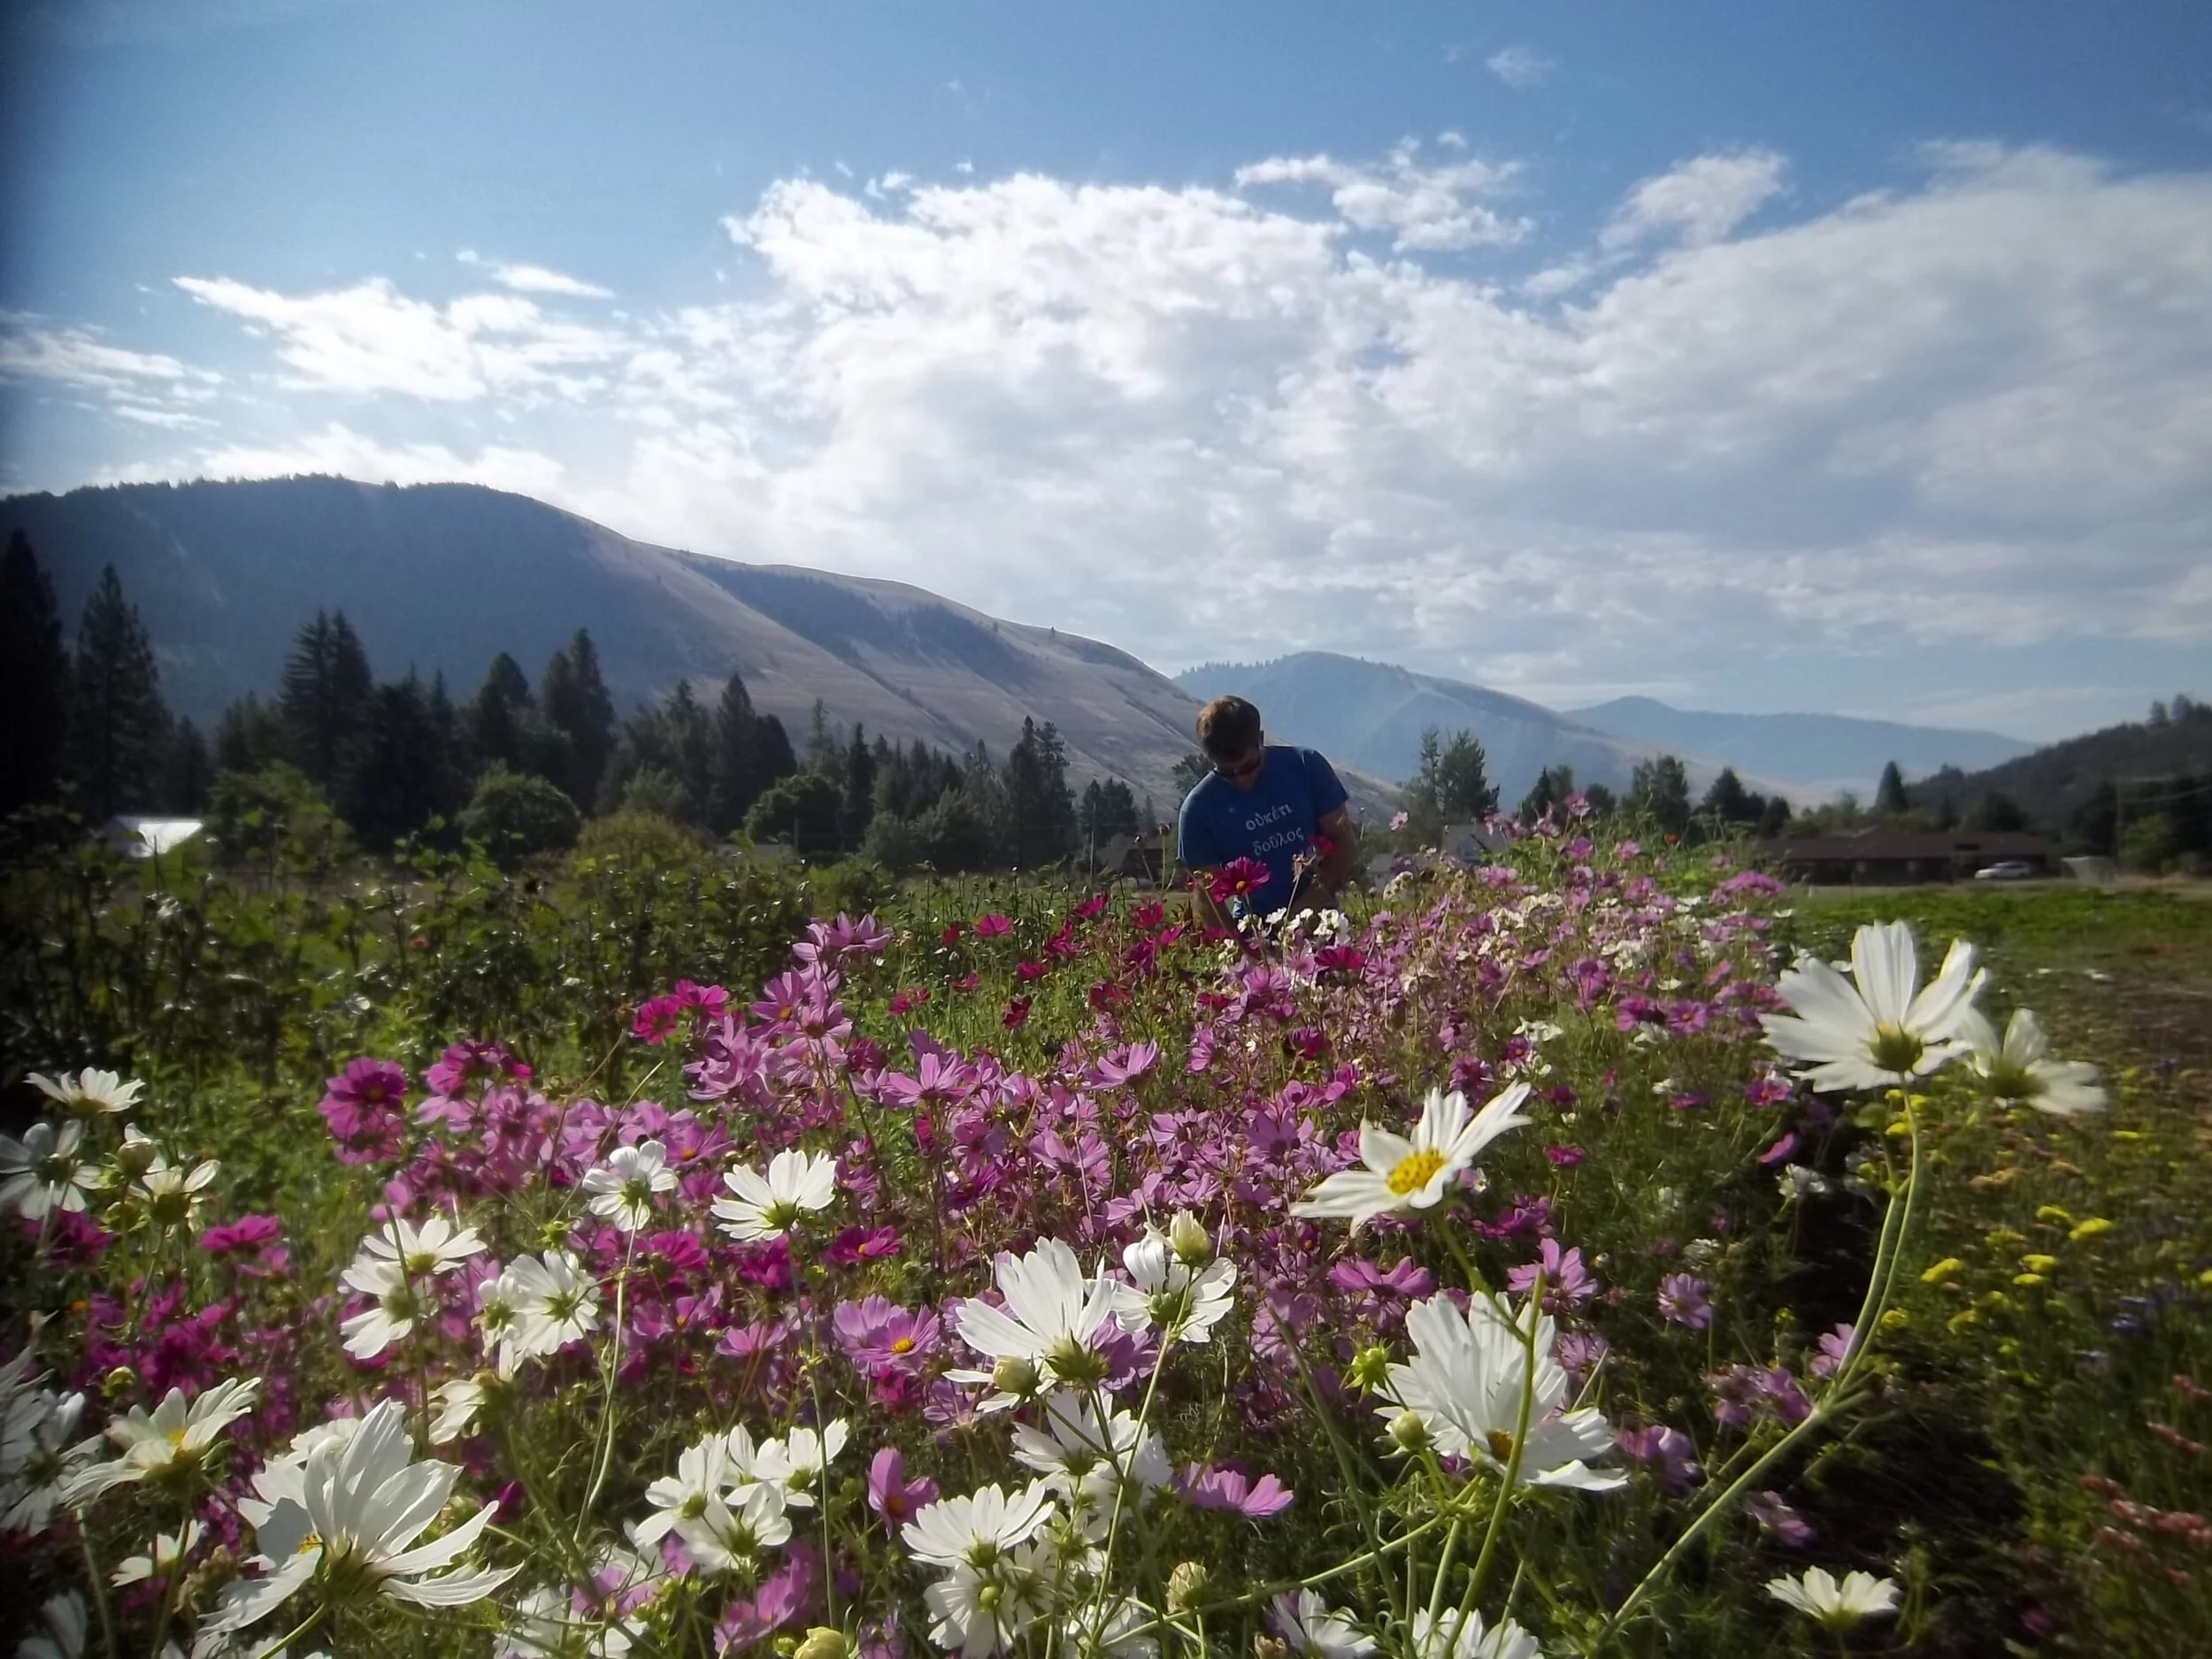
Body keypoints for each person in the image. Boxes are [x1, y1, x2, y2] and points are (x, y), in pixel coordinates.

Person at [1177, 695, 1356, 932]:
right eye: (1227, 773)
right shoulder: (1197, 810)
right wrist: (1244, 953)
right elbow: (1207, 898)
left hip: (1318, 919)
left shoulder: (1306, 767)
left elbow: (1342, 842)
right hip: (1254, 927)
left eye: (1249, 766)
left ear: (1260, 739)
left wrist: (1302, 912)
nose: (1241, 779)